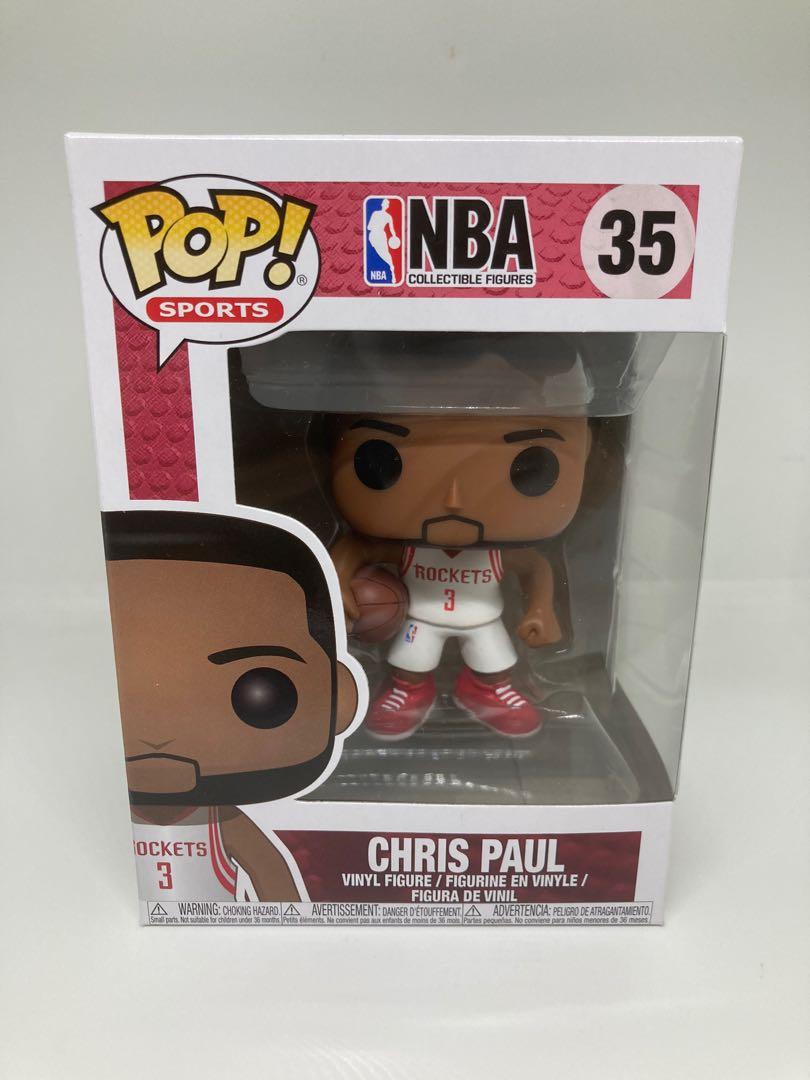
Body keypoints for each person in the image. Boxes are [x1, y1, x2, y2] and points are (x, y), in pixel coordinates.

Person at [330, 338, 590, 741]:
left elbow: (536, 566)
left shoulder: (499, 551)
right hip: (421, 618)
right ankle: (408, 691)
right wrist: (337, 581)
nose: (453, 501)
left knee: (494, 662)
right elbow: (358, 548)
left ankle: (486, 691)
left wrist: (541, 609)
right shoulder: (409, 547)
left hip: (481, 618)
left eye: (529, 468)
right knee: (410, 661)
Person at [105, 509, 359, 901]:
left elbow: (273, 878)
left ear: (339, 697)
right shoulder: (98, 814)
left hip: (216, 934)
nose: (163, 732)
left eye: (259, 693)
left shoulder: (221, 820)